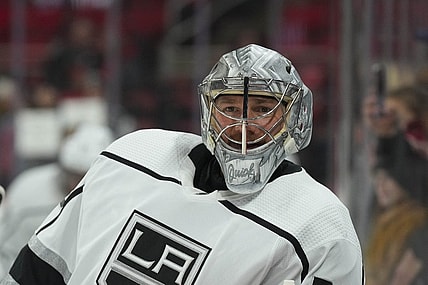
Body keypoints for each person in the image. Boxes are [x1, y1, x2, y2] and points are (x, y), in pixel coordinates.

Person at [1, 44, 364, 284]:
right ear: (209, 111)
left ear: (292, 117)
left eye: (262, 109)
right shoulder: (130, 156)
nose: (243, 125)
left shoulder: (321, 226)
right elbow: (40, 271)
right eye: (231, 108)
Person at [0, 123, 114, 279]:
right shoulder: (28, 193)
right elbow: (5, 251)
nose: (77, 184)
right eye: (73, 175)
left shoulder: (117, 204)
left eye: (86, 177)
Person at [365, 151, 428, 285]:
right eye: (377, 179)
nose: (381, 186)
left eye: (388, 178)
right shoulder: (381, 221)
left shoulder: (418, 224)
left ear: (404, 180)